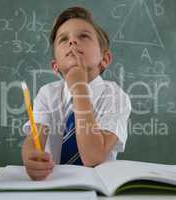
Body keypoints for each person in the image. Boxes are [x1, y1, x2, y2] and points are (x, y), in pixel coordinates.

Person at [21, 6, 131, 180]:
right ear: (55, 66)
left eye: (83, 36)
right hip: (54, 184)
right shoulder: (47, 94)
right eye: (64, 39)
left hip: (99, 185)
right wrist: (31, 157)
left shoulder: (116, 97)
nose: (72, 41)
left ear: (105, 59)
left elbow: (92, 158)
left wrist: (79, 89)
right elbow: (34, 140)